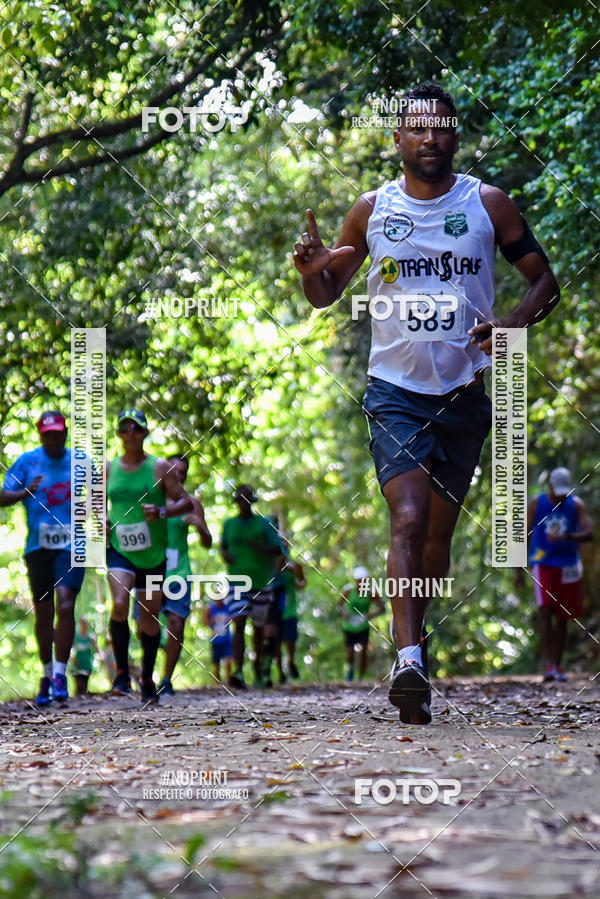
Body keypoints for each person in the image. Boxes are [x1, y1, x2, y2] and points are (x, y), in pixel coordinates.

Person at [294, 81, 560, 724]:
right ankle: (407, 657)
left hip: (466, 392)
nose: (430, 138)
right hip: (395, 391)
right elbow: (328, 291)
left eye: (442, 128)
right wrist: (311, 269)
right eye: (417, 128)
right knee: (407, 518)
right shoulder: (372, 210)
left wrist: (513, 326)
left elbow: (545, 281)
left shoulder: (487, 205)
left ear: (456, 138)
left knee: (436, 538)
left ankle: (418, 633)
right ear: (398, 140)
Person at [106, 409, 192, 704]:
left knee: (148, 617)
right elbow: (92, 504)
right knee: (119, 602)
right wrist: (100, 521)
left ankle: (146, 676)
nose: (130, 433)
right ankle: (120, 674)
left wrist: (163, 512)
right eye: (124, 428)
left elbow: (186, 502)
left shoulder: (159, 467)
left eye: (136, 428)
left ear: (144, 433)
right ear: (118, 433)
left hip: (153, 555)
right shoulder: (108, 468)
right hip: (119, 549)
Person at [1, 411, 86, 705]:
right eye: (47, 433)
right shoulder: (27, 461)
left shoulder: (81, 460)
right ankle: (47, 672)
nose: (53, 438)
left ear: (65, 433)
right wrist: (25, 492)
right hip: (38, 546)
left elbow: (100, 494)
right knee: (44, 610)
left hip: (72, 545)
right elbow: (2, 495)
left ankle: (62, 673)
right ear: (41, 435)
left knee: (66, 601)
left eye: (58, 432)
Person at [525, 467, 593, 681]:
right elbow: (524, 533)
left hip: (569, 565)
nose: (561, 495)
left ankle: (558, 664)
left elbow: (588, 533)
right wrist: (518, 568)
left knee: (563, 617)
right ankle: (549, 665)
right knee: (545, 610)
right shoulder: (537, 504)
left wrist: (566, 537)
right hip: (543, 563)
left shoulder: (576, 505)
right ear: (550, 486)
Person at [158, 454, 212, 696]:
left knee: (176, 624)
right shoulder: (151, 499)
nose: (177, 476)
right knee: (144, 626)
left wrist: (200, 527)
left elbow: (208, 542)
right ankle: (157, 652)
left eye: (182, 472)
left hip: (179, 572)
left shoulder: (191, 503)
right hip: (151, 568)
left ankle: (166, 679)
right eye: (173, 471)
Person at [220, 484, 282, 688]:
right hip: (237, 581)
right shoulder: (229, 524)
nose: (243, 503)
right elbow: (223, 547)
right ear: (236, 502)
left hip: (262, 582)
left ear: (252, 502)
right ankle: (238, 671)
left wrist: (261, 548)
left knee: (258, 627)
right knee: (238, 620)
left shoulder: (264, 524)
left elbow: (278, 550)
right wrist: (225, 554)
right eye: (239, 500)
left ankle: (257, 670)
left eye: (246, 499)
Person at [340, 567, 385, 681]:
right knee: (350, 654)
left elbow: (382, 608)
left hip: (363, 626)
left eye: (364, 580)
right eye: (359, 580)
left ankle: (360, 678)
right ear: (355, 580)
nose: (361, 582)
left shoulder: (371, 593)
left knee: (364, 653)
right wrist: (344, 612)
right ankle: (350, 669)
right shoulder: (348, 590)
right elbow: (339, 605)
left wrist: (372, 615)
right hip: (349, 626)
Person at [276, 555, 306, 682]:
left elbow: (301, 584)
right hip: (274, 610)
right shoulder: (270, 564)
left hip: (290, 610)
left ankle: (291, 662)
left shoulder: (292, 566)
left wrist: (298, 572)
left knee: (290, 640)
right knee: (275, 642)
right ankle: (280, 672)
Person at [203, 586, 233, 683]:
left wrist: (229, 619)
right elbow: (205, 622)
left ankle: (229, 681)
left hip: (227, 638)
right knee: (216, 663)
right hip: (216, 639)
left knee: (228, 661)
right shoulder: (210, 609)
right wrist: (212, 621)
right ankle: (217, 683)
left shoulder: (228, 607)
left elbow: (235, 618)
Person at [70, 617, 98, 696]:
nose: (84, 626)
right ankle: (76, 698)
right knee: (79, 684)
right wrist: (72, 658)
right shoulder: (75, 637)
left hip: (87, 665)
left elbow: (97, 650)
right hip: (77, 665)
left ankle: (82, 700)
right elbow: (69, 649)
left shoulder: (91, 638)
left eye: (85, 624)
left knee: (84, 685)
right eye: (82, 624)